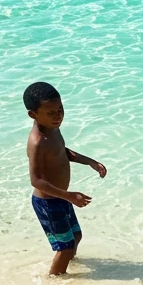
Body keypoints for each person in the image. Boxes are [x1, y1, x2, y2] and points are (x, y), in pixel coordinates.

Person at [24, 81, 107, 275]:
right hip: (48, 202)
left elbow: (62, 152)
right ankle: (55, 280)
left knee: (76, 236)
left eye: (60, 109)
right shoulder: (37, 142)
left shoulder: (53, 129)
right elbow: (36, 180)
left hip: (60, 197)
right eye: (51, 113)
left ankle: (69, 267)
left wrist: (90, 162)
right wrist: (69, 196)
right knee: (65, 247)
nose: (58, 116)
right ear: (33, 115)